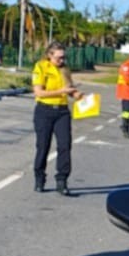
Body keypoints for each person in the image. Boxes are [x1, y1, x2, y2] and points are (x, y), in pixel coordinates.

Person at [30, 43, 77, 195]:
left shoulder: (65, 70)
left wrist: (77, 95)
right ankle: (39, 177)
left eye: (63, 57)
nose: (62, 60)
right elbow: (39, 93)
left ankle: (62, 180)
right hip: (44, 110)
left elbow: (69, 89)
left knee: (65, 145)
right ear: (49, 55)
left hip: (62, 112)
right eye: (58, 57)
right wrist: (61, 90)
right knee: (43, 146)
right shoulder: (41, 67)